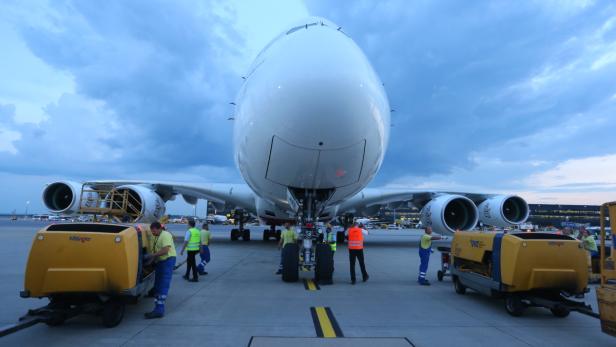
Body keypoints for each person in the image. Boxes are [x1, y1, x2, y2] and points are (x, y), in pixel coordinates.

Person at [144, 221, 177, 319]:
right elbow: (156, 250)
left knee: (163, 284)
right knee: (157, 285)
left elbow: (165, 250)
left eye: (153, 231)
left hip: (168, 260)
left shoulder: (165, 235)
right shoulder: (156, 236)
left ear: (158, 229)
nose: (152, 233)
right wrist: (151, 261)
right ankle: (157, 308)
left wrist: (151, 256)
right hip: (160, 261)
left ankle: (159, 310)